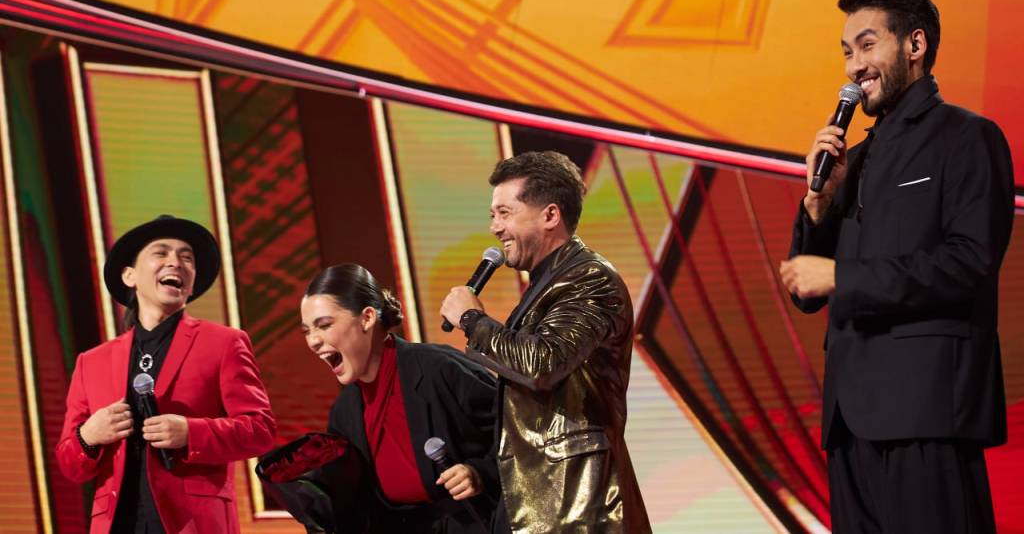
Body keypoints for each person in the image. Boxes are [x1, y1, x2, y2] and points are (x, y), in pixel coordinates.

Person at [780, 0, 1015, 533]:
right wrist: (817, 206)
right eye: (847, 52)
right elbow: (805, 292)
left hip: (926, 409)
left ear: (915, 45)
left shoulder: (968, 138)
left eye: (867, 45)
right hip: (849, 420)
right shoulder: (855, 158)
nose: (854, 67)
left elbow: (969, 263)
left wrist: (843, 276)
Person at [440, 150, 651, 534]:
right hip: (539, 502)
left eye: (505, 213)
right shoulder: (549, 282)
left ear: (550, 215)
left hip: (576, 507)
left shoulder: (589, 278)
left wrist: (472, 320)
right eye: (492, 215)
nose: (495, 228)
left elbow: (542, 364)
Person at [56, 215, 277, 533]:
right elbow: (69, 464)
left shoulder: (224, 343)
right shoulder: (91, 362)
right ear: (129, 275)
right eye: (161, 253)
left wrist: (190, 432)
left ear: (192, 283)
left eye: (187, 258)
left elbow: (260, 430)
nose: (176, 262)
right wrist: (88, 436)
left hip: (193, 523)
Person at [299, 263, 500, 533]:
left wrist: (480, 472)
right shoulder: (343, 412)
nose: (312, 341)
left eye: (324, 325)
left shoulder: (439, 369)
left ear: (367, 318)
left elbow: (522, 432)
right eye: (306, 331)